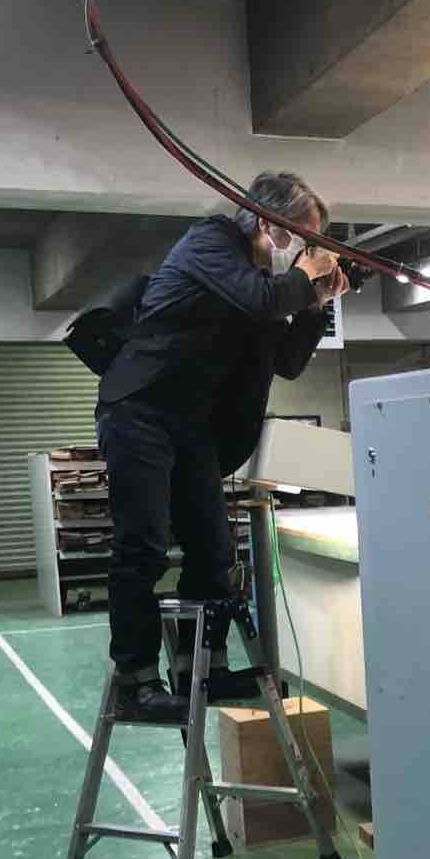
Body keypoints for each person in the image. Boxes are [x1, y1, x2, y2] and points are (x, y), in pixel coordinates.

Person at [96, 172, 349, 719]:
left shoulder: (258, 284)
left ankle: (200, 671)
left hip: (189, 423)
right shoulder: (211, 243)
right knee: (144, 545)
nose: (303, 250)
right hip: (139, 408)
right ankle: (135, 682)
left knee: (214, 553)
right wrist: (305, 277)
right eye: (301, 236)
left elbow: (287, 361)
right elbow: (261, 302)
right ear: (264, 220)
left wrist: (315, 303)